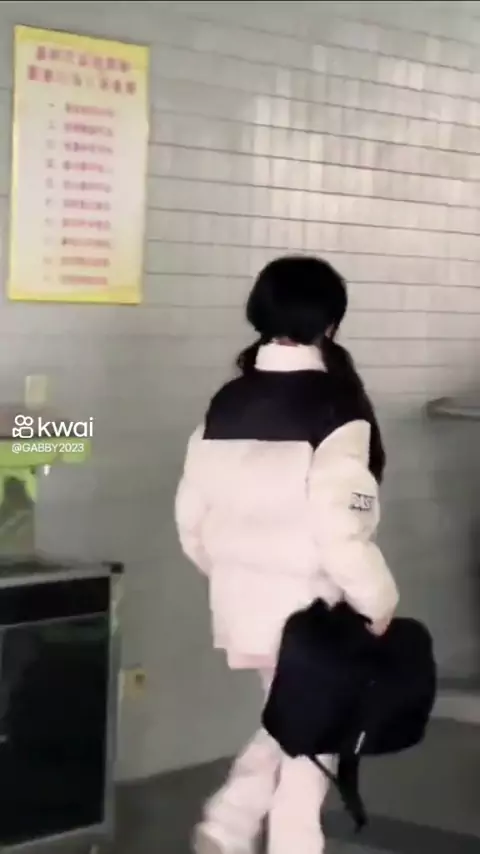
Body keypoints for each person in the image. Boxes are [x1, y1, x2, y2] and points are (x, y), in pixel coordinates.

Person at [175, 255, 399, 854]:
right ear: (331, 323)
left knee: (293, 719)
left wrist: (235, 572)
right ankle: (267, 837)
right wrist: (376, 601)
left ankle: (228, 824)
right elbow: (340, 528)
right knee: (313, 741)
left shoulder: (225, 403)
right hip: (312, 607)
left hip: (240, 602)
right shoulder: (337, 407)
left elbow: (191, 521)